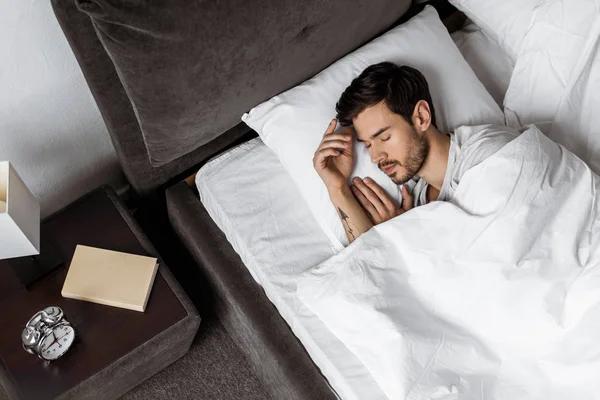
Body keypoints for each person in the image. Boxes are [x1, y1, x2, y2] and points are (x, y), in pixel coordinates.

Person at [313, 61, 518, 243]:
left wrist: (406, 238)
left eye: (384, 138)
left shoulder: (489, 153)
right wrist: (337, 187)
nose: (376, 157)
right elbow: (369, 261)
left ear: (421, 116)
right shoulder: (417, 204)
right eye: (367, 145)